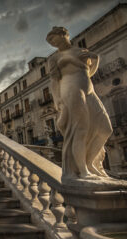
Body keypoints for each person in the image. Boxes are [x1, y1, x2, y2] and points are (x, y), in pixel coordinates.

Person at [46, 27, 112, 180]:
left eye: (53, 38)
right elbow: (54, 81)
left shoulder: (82, 51)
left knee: (105, 128)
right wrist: (58, 101)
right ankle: (82, 171)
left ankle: (89, 163)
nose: (53, 43)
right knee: (79, 129)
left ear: (64, 34)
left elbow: (88, 72)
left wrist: (95, 59)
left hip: (88, 89)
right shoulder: (54, 59)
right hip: (70, 88)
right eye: (50, 42)